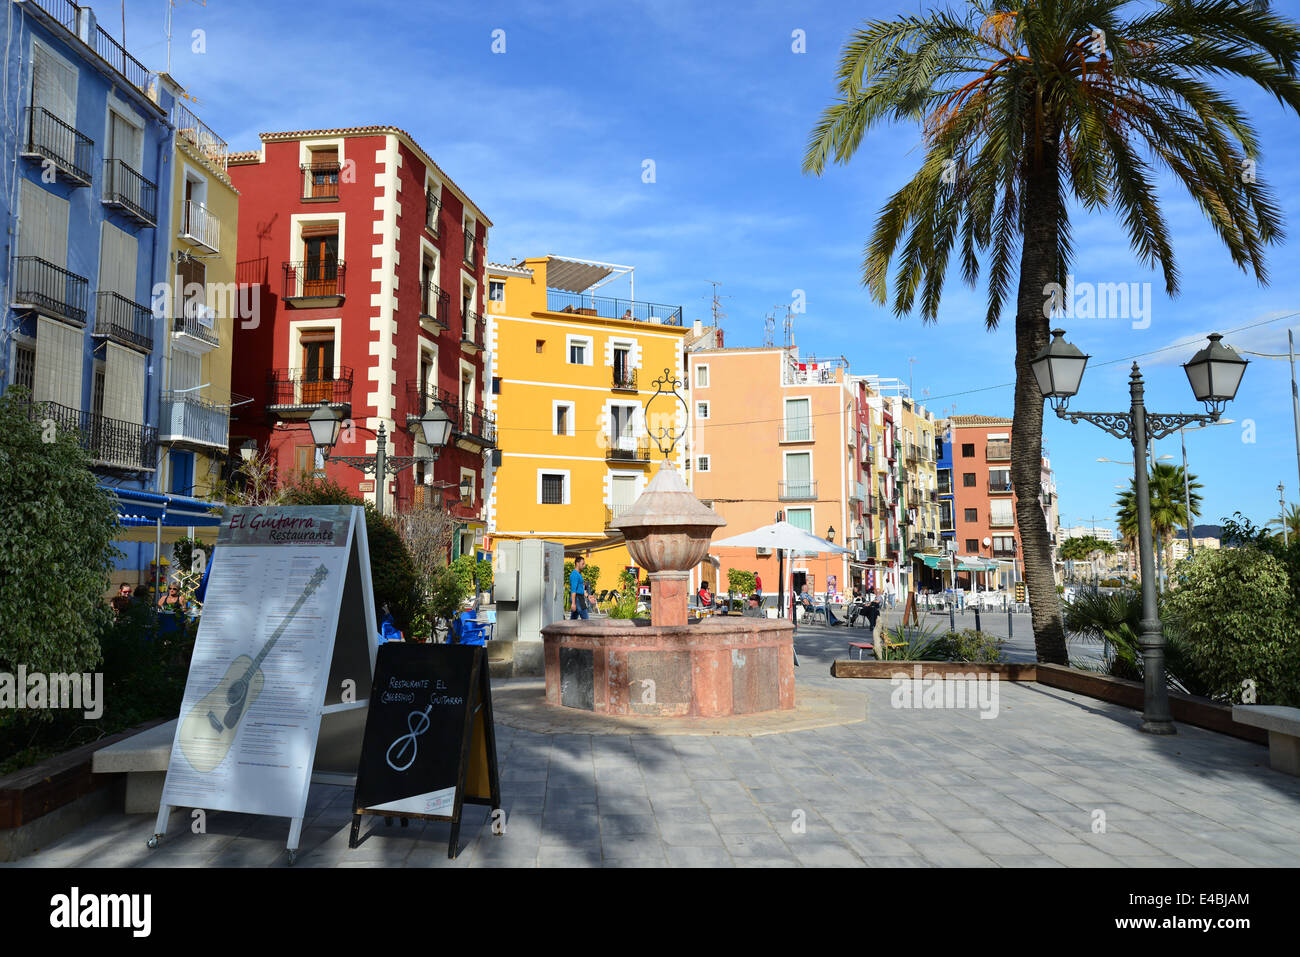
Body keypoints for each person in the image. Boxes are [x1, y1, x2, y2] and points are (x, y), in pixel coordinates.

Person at [569, 556, 589, 620]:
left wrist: (588, 596)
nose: (584, 565)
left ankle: (568, 629)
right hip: (578, 599)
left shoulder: (578, 574)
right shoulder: (574, 574)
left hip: (579, 598)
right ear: (577, 563)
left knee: (573, 620)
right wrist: (573, 603)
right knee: (586, 619)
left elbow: (580, 589)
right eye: (582, 564)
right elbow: (573, 590)